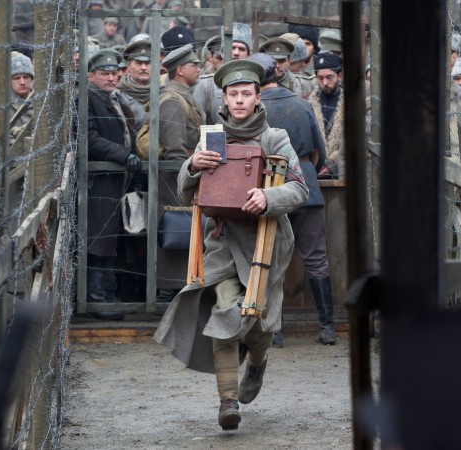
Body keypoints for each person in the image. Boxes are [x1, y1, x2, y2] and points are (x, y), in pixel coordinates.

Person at [154, 59, 308, 430]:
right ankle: (228, 401)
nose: (239, 100)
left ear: (257, 98)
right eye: (233, 94)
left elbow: (300, 188)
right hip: (222, 242)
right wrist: (193, 164)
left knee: (258, 323)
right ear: (224, 98)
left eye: (246, 94)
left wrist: (268, 197)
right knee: (225, 310)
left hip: (266, 243)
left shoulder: (275, 138)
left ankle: (257, 362)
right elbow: (188, 192)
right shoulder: (212, 137)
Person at [248, 53, 336, 346]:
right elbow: (319, 151)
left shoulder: (254, 109)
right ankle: (327, 328)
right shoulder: (302, 104)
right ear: (277, 73)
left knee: (268, 259)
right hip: (305, 184)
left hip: (267, 190)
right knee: (317, 259)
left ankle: (274, 331)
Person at [85, 50, 141, 304]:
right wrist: (123, 154)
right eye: (104, 74)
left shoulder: (113, 98)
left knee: (111, 236)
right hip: (99, 179)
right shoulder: (87, 98)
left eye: (113, 73)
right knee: (99, 237)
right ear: (91, 76)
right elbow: (90, 138)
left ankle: (107, 293)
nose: (110, 78)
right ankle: (97, 297)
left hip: (117, 178)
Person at [154, 44, 204, 302]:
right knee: (175, 234)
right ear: (180, 70)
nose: (199, 69)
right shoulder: (173, 100)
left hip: (185, 177)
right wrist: (188, 180)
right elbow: (175, 152)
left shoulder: (184, 96)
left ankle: (176, 289)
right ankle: (168, 292)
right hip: (175, 182)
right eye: (194, 65)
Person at [194, 22, 252, 125]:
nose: (236, 53)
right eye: (232, 48)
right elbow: (197, 124)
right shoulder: (205, 84)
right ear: (222, 53)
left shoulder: (256, 83)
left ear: (248, 54)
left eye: (241, 49)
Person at [308, 53, 345, 179]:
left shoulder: (352, 105)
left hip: (342, 171)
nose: (324, 82)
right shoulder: (308, 105)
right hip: (316, 170)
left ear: (339, 76)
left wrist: (331, 163)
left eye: (329, 77)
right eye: (320, 78)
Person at [259, 36, 312, 100]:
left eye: (281, 61)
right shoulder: (257, 84)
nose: (277, 65)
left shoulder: (303, 85)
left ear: (289, 61)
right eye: (273, 61)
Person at [116, 39, 152, 133]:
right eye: (138, 63)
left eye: (147, 63)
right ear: (128, 67)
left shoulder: (162, 92)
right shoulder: (118, 95)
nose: (143, 68)